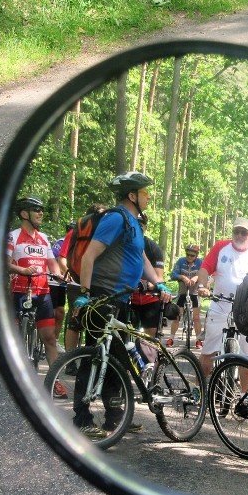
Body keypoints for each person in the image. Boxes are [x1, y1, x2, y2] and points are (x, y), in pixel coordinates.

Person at [70, 172, 170, 438]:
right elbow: (90, 255)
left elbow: (141, 259)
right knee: (95, 357)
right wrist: (85, 292)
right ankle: (82, 418)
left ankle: (115, 418)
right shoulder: (116, 218)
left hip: (121, 298)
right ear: (132, 195)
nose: (149, 197)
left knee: (116, 358)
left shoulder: (134, 223)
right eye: (145, 193)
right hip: (102, 295)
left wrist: (157, 283)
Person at [195, 217, 248, 380]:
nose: (240, 235)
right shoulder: (221, 247)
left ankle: (245, 397)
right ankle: (200, 392)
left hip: (246, 311)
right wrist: (202, 286)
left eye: (244, 232)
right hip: (220, 305)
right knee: (208, 352)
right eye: (236, 231)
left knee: (246, 358)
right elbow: (205, 268)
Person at [7, 196, 62, 374]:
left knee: (50, 338)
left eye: (42, 210)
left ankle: (55, 381)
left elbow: (52, 263)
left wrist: (59, 275)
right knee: (15, 337)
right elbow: (5, 263)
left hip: (43, 292)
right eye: (36, 209)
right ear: (24, 213)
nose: (41, 213)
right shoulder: (13, 236)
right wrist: (22, 270)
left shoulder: (44, 238)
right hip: (20, 290)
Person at [57, 203, 107, 354]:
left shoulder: (76, 231)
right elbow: (62, 258)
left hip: (77, 280)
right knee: (82, 322)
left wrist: (71, 275)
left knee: (75, 322)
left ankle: (72, 360)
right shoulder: (78, 232)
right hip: (89, 281)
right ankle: (77, 359)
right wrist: (70, 274)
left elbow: (62, 258)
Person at [168, 244, 203, 347]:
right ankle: (171, 338)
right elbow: (173, 274)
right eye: (188, 254)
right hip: (183, 291)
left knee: (196, 318)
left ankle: (198, 340)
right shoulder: (181, 261)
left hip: (195, 292)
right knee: (177, 316)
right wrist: (182, 277)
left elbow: (206, 274)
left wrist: (196, 278)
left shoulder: (200, 262)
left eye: (192, 255)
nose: (189, 257)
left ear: (196, 255)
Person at [49, 221, 76, 347]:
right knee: (54, 311)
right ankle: (47, 338)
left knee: (61, 312)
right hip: (54, 281)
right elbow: (54, 259)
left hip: (67, 283)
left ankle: (54, 340)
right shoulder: (60, 242)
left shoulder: (78, 244)